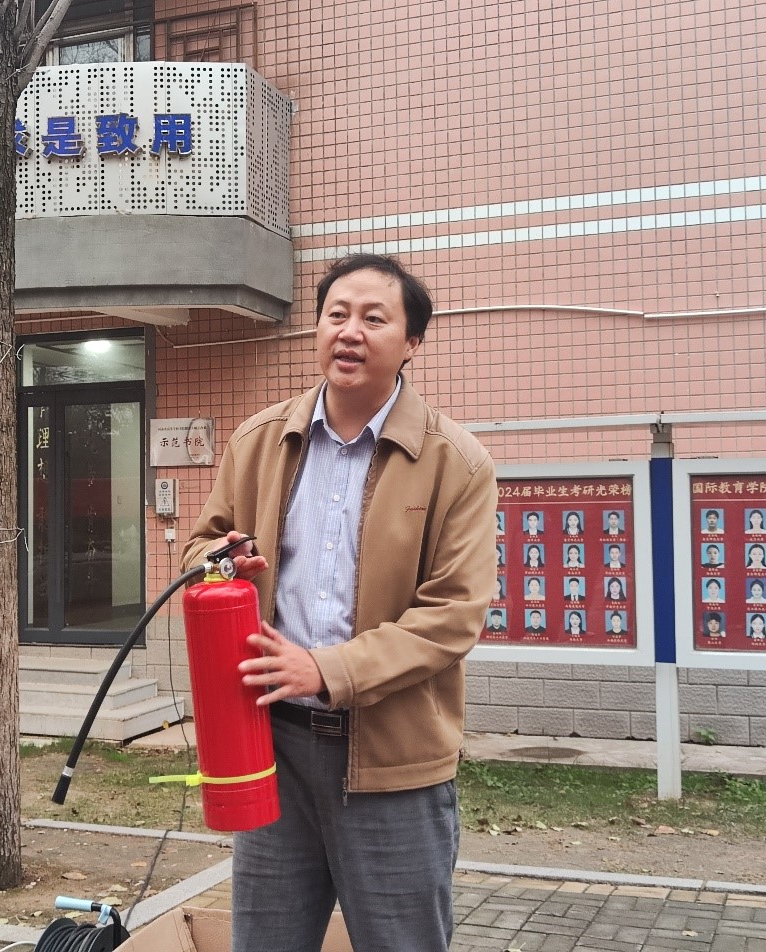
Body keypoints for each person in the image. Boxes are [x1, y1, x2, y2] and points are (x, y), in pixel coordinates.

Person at [182, 253, 496, 952]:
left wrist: (328, 670)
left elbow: (453, 614)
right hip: (273, 750)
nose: (350, 331)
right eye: (336, 315)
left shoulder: (456, 462)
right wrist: (223, 564)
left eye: (374, 319)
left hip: (393, 761)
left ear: (411, 342)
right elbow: (199, 550)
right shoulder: (259, 441)